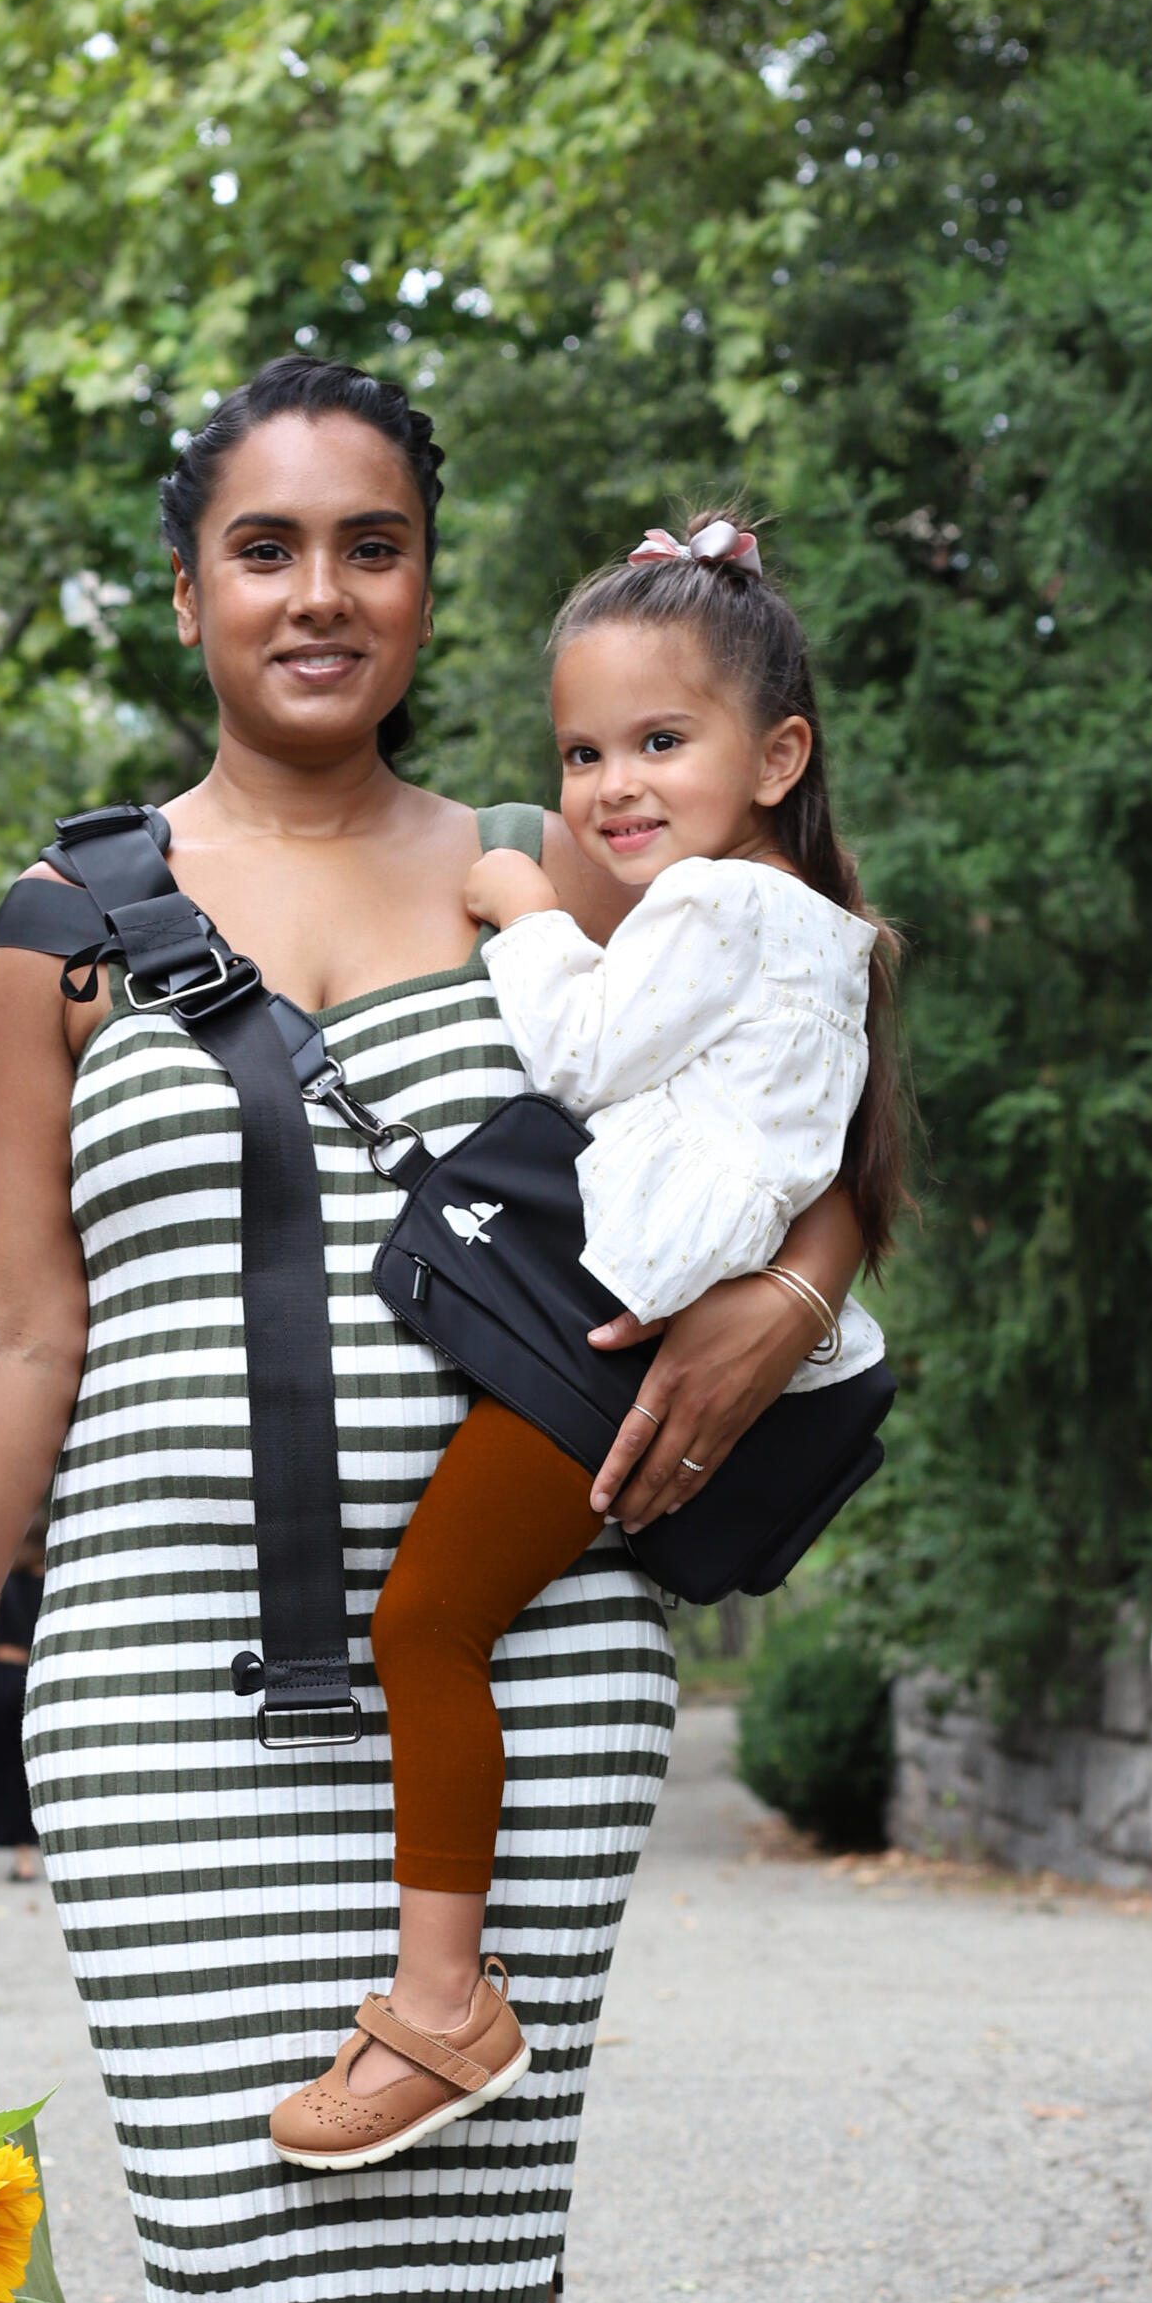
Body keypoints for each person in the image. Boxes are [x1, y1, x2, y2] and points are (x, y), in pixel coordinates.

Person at [0, 355, 867, 2303]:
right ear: (188, 585)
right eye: (265, 546)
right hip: (151, 1683)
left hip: (522, 1656)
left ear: (422, 581)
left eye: (368, 546)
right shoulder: (57, 934)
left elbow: (789, 1102)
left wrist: (790, 1290)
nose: (319, 592)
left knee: (480, 2271)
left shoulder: (555, 860)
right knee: (230, 2255)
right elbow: (6, 1332)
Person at [271, 514, 905, 2169]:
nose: (611, 785)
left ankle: (439, 2001)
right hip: (653, 1322)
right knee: (441, 1623)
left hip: (609, 1344)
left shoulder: (704, 912)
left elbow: (580, 1054)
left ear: (778, 755)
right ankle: (442, 1987)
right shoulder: (813, 922)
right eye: (581, 751)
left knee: (421, 1626)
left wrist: (516, 904)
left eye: (658, 742)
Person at [0, 1518, 45, 1882]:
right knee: (36, 1767)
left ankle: (22, 1858)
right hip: (40, 1679)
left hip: (4, 1678)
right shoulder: (56, 1584)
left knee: (6, 1768)